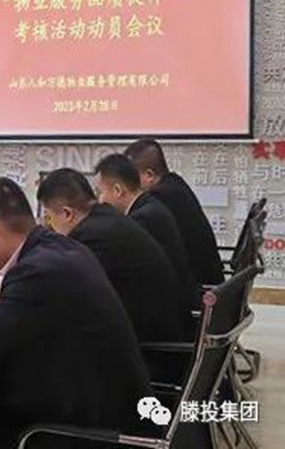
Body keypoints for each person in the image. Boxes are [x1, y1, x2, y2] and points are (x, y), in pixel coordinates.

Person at [0, 178, 152, 449]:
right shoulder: (59, 247)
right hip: (112, 408)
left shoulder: (34, 271)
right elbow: (38, 308)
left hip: (91, 432)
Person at [37, 168, 191, 344]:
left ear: (67, 213)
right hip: (162, 333)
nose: (50, 227)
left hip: (152, 347)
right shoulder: (106, 219)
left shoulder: (90, 238)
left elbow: (64, 295)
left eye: (49, 218)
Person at [94, 153, 200, 309]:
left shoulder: (142, 220)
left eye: (100, 193)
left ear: (117, 190)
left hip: (170, 311)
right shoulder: (150, 206)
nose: (99, 201)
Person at [125, 139, 224, 285]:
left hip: (200, 287)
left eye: (131, 178)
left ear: (149, 175)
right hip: (207, 279)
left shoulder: (159, 198)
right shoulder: (175, 183)